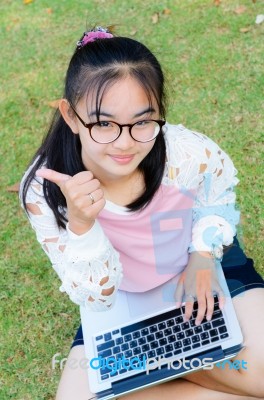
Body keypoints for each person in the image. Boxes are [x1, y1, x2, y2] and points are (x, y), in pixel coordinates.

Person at [20, 26, 264, 400]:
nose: (125, 142)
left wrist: (202, 255)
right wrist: (83, 227)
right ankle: (188, 364)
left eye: (143, 121)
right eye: (103, 123)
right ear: (71, 116)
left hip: (203, 271)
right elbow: (97, 296)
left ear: (159, 113)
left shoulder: (185, 152)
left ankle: (159, 369)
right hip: (120, 300)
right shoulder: (45, 188)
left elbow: (218, 195)